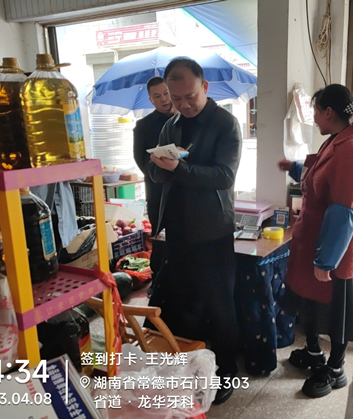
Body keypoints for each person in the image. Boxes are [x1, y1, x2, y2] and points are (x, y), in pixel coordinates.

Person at [147, 58, 241, 405]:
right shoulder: (171, 124)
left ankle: (227, 370)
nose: (184, 105)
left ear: (204, 87)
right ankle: (192, 365)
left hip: (212, 229)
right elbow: (156, 174)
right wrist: (158, 166)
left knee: (219, 304)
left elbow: (224, 176)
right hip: (177, 228)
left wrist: (180, 168)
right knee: (184, 299)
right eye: (176, 98)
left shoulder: (225, 123)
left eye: (190, 96)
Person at [277, 84, 353, 399]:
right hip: (313, 241)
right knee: (309, 304)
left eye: (315, 112)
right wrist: (295, 168)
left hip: (336, 249)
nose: (314, 118)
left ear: (329, 112)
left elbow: (344, 209)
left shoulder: (352, 149)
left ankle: (335, 368)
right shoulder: (336, 140)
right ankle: (313, 353)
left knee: (335, 313)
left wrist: (327, 260)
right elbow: (320, 177)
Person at [133, 76, 177, 294]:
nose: (164, 99)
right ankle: (158, 283)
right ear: (151, 100)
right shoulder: (143, 126)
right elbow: (141, 160)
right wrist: (159, 172)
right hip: (157, 191)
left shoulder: (186, 120)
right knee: (159, 235)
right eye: (157, 96)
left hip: (185, 188)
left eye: (167, 93)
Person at [30, 182, 78, 255]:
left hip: (62, 214)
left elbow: (81, 177)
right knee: (38, 253)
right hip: (37, 212)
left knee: (56, 255)